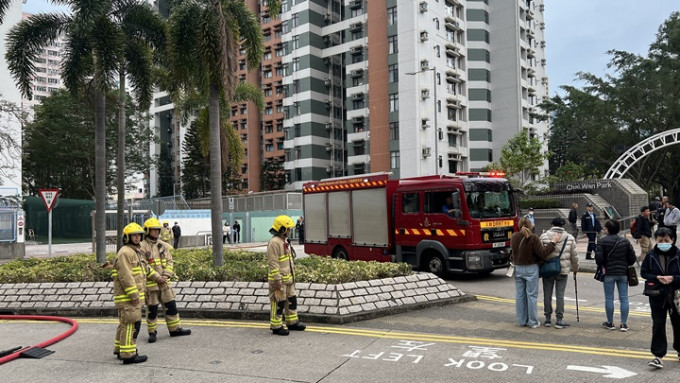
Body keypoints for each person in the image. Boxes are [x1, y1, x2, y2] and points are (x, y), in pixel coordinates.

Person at [112, 223, 166, 365]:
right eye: (133, 235)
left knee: (124, 324)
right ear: (127, 237)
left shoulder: (134, 251)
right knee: (131, 325)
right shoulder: (125, 253)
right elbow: (126, 276)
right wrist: (134, 296)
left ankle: (119, 350)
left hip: (129, 298)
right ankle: (129, 355)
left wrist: (158, 278)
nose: (137, 238)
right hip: (129, 298)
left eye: (138, 235)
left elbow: (146, 269)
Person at [141, 218, 191, 343]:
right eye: (153, 230)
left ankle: (175, 329)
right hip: (151, 284)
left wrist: (166, 275)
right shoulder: (141, 247)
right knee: (152, 310)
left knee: (171, 306)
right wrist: (157, 277)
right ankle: (152, 332)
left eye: (157, 230)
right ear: (147, 231)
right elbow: (143, 266)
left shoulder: (163, 245)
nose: (156, 232)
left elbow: (169, 261)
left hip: (165, 283)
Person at [640, 227, 680, 369]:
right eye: (660, 240)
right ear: (655, 240)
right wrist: (657, 277)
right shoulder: (651, 255)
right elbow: (644, 273)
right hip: (657, 295)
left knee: (678, 324)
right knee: (658, 324)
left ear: (672, 240)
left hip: (676, 296)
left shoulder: (678, 254)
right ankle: (658, 356)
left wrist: (673, 278)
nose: (663, 243)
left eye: (666, 240)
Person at [510, 216, 559, 328]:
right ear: (530, 225)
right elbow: (542, 253)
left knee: (520, 295)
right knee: (531, 296)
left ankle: (522, 320)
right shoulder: (533, 238)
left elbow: (513, 253)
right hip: (531, 268)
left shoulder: (514, 237)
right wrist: (553, 243)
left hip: (518, 268)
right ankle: (532, 321)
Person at [267, 215, 306, 335]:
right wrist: (277, 280)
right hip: (279, 281)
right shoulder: (274, 243)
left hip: (288, 279)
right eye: (288, 229)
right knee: (278, 303)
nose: (289, 231)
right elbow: (273, 263)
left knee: (292, 301)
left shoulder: (284, 241)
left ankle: (292, 322)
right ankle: (276, 326)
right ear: (282, 229)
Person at [595, 220, 637, 332]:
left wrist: (604, 264)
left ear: (608, 230)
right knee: (624, 298)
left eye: (605, 228)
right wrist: (625, 264)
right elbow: (632, 258)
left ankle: (610, 322)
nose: (604, 229)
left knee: (609, 298)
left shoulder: (602, 241)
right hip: (623, 273)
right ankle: (623, 324)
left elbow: (598, 259)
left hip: (609, 273)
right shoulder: (625, 241)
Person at [540, 217, 579, 329]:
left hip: (547, 269)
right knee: (560, 295)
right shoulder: (570, 238)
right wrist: (575, 268)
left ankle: (547, 319)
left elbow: (540, 253)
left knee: (547, 294)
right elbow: (574, 256)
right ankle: (559, 319)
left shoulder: (543, 236)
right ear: (563, 225)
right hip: (563, 270)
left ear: (552, 224)